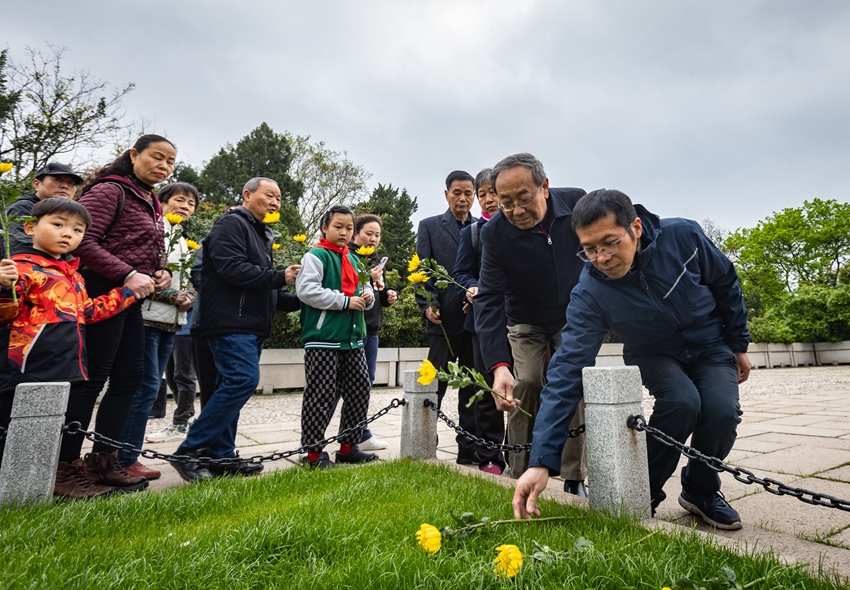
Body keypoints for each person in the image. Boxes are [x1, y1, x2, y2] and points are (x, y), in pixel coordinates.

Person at [512, 189, 751, 530]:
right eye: (589, 249)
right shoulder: (590, 292)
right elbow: (565, 371)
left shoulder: (684, 235)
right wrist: (540, 462)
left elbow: (725, 282)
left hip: (710, 344)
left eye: (610, 242)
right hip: (653, 352)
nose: (602, 257)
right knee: (682, 403)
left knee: (721, 411)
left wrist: (739, 344)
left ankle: (700, 490)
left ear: (635, 228)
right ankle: (642, 492)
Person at [58, 134, 174, 493]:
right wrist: (126, 272)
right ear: (133, 154)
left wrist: (160, 270)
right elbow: (83, 240)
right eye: (157, 157)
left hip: (130, 299)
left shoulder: (151, 200)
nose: (164, 166)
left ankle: (105, 462)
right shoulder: (111, 191)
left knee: (130, 378)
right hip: (99, 291)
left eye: (170, 162)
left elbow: (142, 248)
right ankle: (65, 468)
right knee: (92, 379)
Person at [0, 199, 136, 498]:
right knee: (14, 428)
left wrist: (126, 294)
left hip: (66, 363)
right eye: (58, 224)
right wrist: (2, 285)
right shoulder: (20, 268)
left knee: (52, 428)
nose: (67, 234)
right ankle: (17, 491)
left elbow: (86, 312)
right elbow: (5, 313)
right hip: (28, 363)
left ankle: (56, 479)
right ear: (30, 227)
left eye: (77, 230)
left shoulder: (73, 275)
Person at [170, 178, 300, 481]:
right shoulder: (231, 224)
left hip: (251, 323)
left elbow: (265, 284)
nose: (275, 202)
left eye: (279, 198)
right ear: (247, 194)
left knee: (226, 387)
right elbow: (232, 269)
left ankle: (221, 456)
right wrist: (280, 276)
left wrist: (302, 298)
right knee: (242, 380)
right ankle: (190, 450)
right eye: (269, 195)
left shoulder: (260, 233)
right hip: (229, 322)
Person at [474, 152, 588, 495]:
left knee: (571, 382)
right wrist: (498, 366)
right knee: (525, 383)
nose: (517, 211)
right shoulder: (493, 233)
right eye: (506, 203)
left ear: (545, 187)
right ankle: (519, 467)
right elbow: (490, 299)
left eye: (525, 199)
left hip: (574, 314)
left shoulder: (578, 204)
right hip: (524, 318)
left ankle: (572, 476)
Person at [117, 183, 199, 479]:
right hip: (146, 318)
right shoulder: (154, 230)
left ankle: (127, 455)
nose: (185, 207)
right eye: (179, 200)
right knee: (146, 386)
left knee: (150, 386)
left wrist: (188, 296)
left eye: (191, 204)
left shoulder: (180, 238)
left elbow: (186, 278)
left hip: (172, 323)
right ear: (161, 201)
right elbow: (143, 274)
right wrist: (173, 297)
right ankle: (125, 457)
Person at [296, 205, 377, 469]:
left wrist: (368, 296)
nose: (344, 232)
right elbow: (307, 290)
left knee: (359, 389)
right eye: (338, 227)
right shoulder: (315, 255)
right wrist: (345, 302)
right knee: (320, 394)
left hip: (352, 338)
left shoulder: (355, 260)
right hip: (323, 337)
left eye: (349, 228)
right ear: (324, 228)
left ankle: (347, 447)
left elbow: (365, 287)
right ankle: (313, 453)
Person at [415, 170, 480, 465]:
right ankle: (424, 440)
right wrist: (427, 306)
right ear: (446, 194)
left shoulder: (482, 228)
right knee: (434, 383)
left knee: (471, 384)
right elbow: (421, 274)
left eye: (468, 193)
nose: (463, 198)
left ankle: (468, 448)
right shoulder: (429, 226)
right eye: (457, 192)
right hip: (441, 320)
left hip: (472, 319)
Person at [326, 214, 397, 451]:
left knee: (364, 384)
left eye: (377, 235)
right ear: (355, 233)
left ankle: (359, 433)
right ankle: (318, 435)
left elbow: (376, 293)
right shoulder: (348, 256)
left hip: (372, 330)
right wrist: (367, 278)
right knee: (341, 385)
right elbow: (346, 288)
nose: (373, 238)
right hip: (352, 330)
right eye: (369, 233)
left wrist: (387, 295)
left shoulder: (376, 260)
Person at [451, 168, 506, 475]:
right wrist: (470, 285)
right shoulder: (471, 233)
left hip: (521, 320)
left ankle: (523, 450)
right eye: (482, 194)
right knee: (485, 390)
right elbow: (461, 271)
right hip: (482, 319)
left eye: (492, 193)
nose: (487, 200)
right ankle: (490, 457)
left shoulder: (521, 228)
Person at [4, 162, 83, 255]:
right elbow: (20, 247)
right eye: (57, 179)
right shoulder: (22, 208)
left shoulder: (71, 214)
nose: (65, 186)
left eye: (71, 183)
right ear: (36, 184)